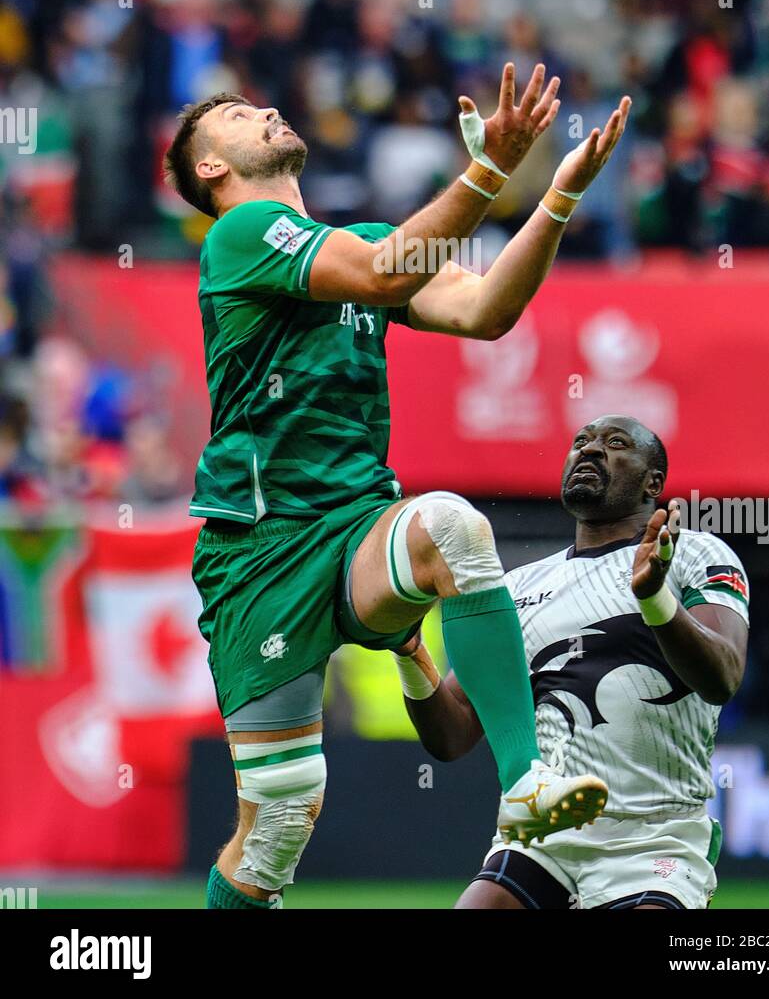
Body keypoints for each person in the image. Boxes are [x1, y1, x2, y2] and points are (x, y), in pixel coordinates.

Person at [163, 67, 630, 909]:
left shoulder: (369, 241)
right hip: (258, 557)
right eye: (237, 116)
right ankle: (414, 672)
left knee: (452, 524)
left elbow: (484, 310)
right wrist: (487, 172)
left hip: (354, 531)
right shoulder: (242, 237)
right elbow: (384, 274)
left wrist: (552, 198)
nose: (266, 108)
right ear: (210, 169)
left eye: (261, 103)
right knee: (275, 830)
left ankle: (525, 784)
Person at [393, 415, 749, 910]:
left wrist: (654, 600)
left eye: (616, 443)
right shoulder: (515, 589)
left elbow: (723, 677)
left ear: (654, 482)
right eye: (580, 442)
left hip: (653, 837)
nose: (591, 450)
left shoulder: (697, 553)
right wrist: (408, 650)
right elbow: (451, 738)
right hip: (543, 838)